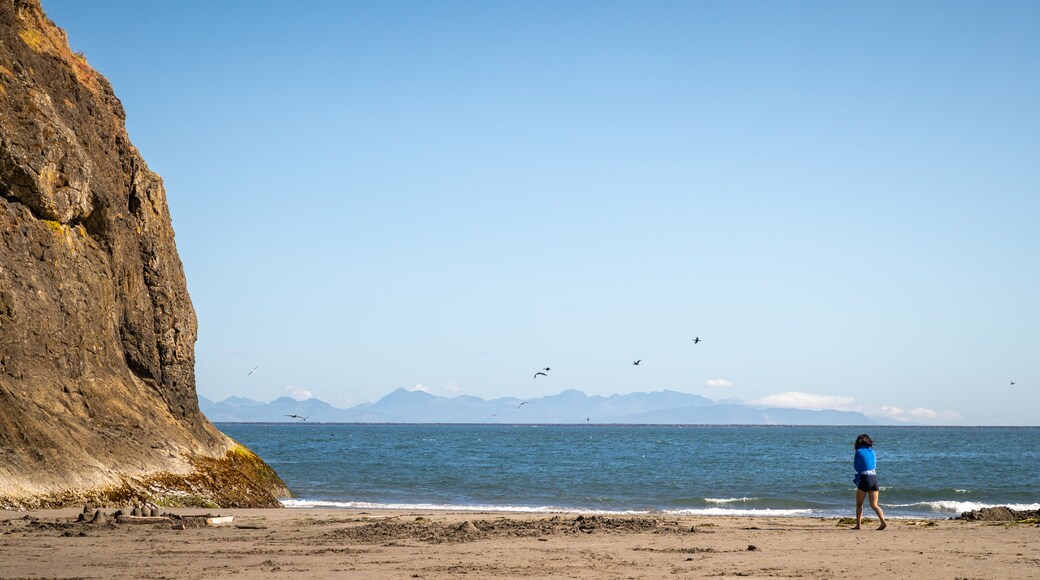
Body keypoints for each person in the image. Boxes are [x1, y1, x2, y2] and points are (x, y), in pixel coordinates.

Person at [853, 433, 887, 530]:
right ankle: (883, 521)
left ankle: (858, 525)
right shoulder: (873, 452)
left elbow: (856, 466)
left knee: (859, 504)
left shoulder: (858, 452)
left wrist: (858, 476)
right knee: (875, 505)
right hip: (874, 478)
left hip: (865, 478)